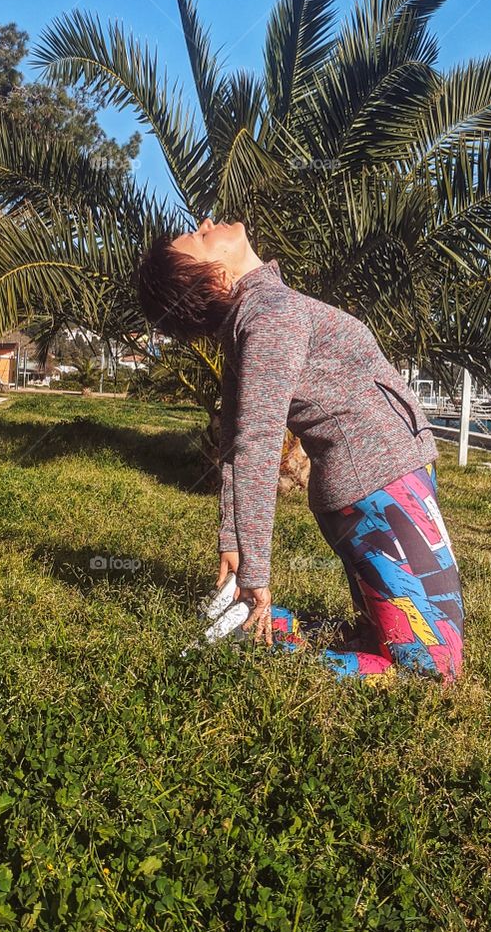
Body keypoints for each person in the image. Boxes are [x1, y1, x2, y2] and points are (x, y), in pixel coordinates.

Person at [136, 218, 464, 683]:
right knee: (434, 668)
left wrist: (233, 540)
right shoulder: (271, 317)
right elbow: (253, 444)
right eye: (201, 237)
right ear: (217, 278)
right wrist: (254, 568)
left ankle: (261, 632)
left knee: (385, 638)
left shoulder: (261, 310)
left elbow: (233, 438)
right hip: (380, 491)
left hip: (380, 484)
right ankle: (253, 642)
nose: (208, 223)